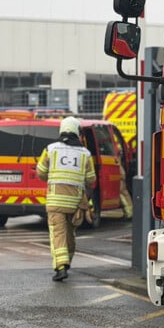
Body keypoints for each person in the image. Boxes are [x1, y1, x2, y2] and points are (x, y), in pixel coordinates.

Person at [36, 116, 96, 282]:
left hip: (55, 201)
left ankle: (61, 267)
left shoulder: (50, 149)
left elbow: (40, 172)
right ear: (77, 132)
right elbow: (91, 179)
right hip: (75, 202)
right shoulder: (85, 154)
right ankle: (67, 260)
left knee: (58, 234)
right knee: (70, 234)